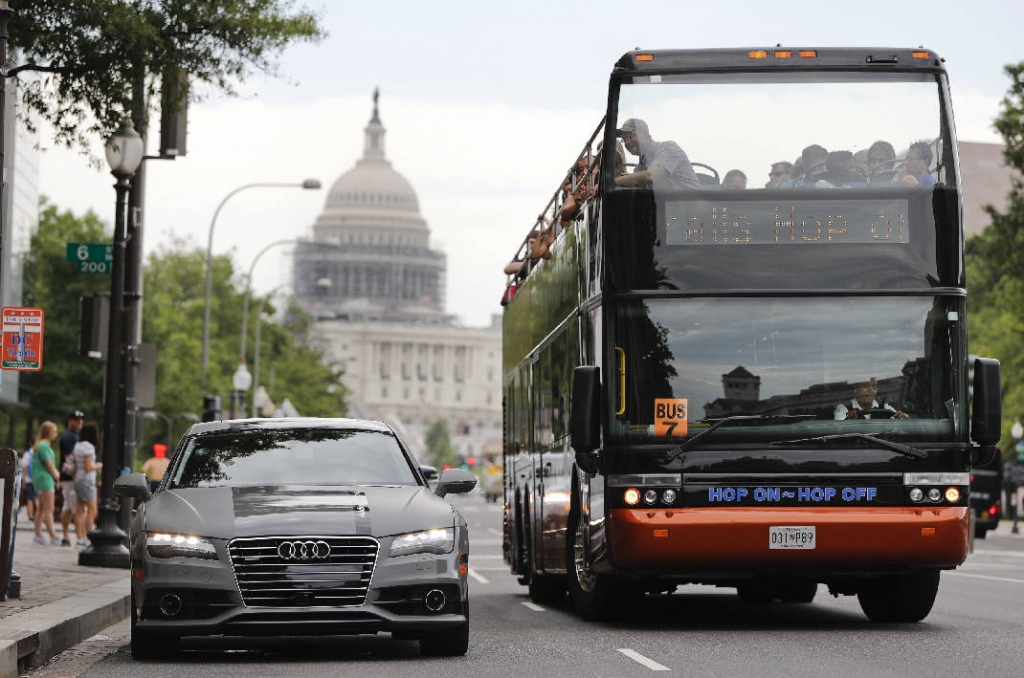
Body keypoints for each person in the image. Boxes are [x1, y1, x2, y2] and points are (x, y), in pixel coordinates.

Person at [614, 118, 701, 191]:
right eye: (624, 138)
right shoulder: (639, 168)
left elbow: (650, 176)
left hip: (693, 205)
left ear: (645, 133)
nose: (627, 142)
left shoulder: (668, 148)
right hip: (667, 209)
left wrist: (612, 182)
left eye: (630, 136)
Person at [72, 421, 103, 548]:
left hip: (78, 479)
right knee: (92, 510)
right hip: (87, 480)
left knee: (80, 509)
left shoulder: (77, 445)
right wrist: (99, 465)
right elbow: (88, 467)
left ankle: (80, 538)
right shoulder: (89, 447)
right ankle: (89, 538)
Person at [30, 421, 61, 545]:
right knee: (49, 508)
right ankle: (53, 536)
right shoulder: (44, 446)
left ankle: (38, 535)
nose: (56, 434)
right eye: (54, 431)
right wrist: (57, 476)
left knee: (41, 508)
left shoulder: (39, 445)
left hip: (39, 479)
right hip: (45, 480)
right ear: (48, 432)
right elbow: (49, 464)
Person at [58, 410, 84, 547]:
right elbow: (69, 459)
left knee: (68, 506)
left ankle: (66, 536)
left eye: (81, 419)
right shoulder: (70, 437)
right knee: (77, 508)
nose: (79, 421)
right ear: (70, 421)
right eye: (76, 419)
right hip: (70, 477)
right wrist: (76, 476)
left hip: (67, 477)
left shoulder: (74, 436)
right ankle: (80, 537)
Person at [834, 377, 908, 420]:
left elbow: (902, 427)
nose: (870, 390)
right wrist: (847, 420)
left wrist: (902, 418)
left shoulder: (885, 408)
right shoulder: (844, 408)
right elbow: (838, 430)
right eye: (865, 386)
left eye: (874, 386)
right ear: (856, 387)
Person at [19, 436, 36, 522]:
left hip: (29, 479)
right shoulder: (38, 453)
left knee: (30, 497)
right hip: (38, 479)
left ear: (30, 443)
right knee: (37, 497)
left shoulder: (28, 453)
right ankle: (39, 514)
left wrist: (24, 479)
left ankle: (30, 515)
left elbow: (25, 467)